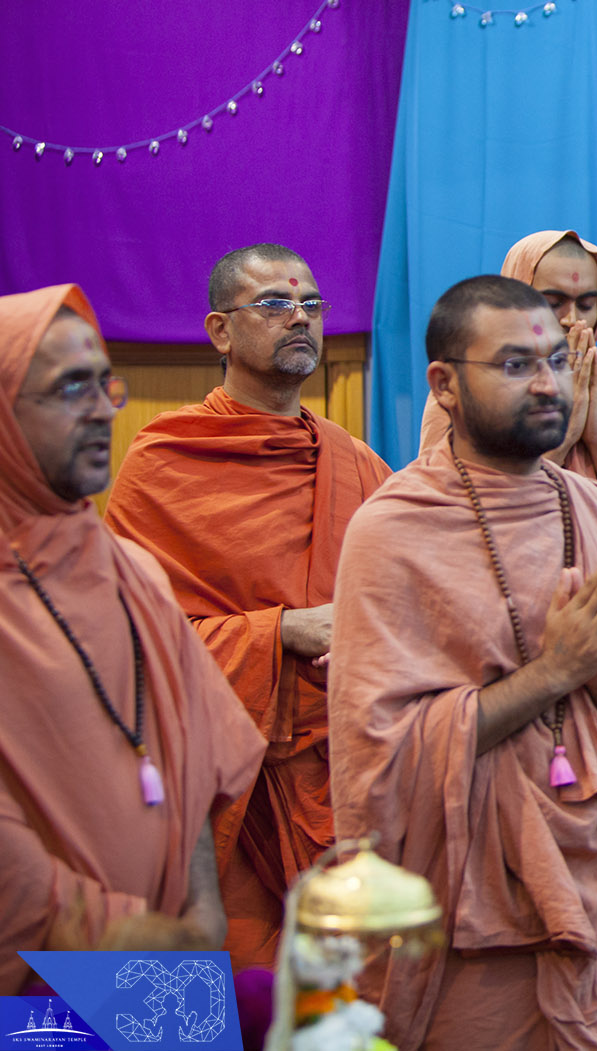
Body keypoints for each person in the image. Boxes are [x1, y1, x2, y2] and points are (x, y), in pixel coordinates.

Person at [329, 275, 597, 1050]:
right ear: (444, 384)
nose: (547, 383)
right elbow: (380, 761)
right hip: (468, 921)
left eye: (558, 362)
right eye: (515, 365)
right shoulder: (393, 531)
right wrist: (553, 674)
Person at [103, 243, 391, 970]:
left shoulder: (358, 465)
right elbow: (125, 646)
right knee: (227, 1001)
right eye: (273, 304)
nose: (300, 318)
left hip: (342, 790)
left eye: (312, 306)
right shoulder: (165, 460)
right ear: (220, 330)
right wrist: (278, 632)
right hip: (219, 802)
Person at [0, 285, 263, 991]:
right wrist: (132, 935)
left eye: (101, 383)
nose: (99, 410)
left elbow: (197, 760)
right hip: (37, 988)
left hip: (173, 968)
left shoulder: (132, 569)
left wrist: (202, 920)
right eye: (67, 388)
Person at [418, 230, 597, 567]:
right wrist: (564, 436)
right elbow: (452, 539)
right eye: (553, 303)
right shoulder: (467, 395)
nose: (572, 321)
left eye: (586, 304)